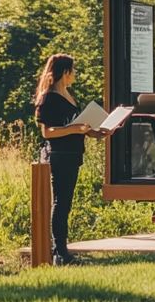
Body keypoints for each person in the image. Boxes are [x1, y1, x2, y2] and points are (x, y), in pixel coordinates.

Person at [34, 53, 104, 265]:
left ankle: (61, 250)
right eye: (72, 70)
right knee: (61, 202)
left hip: (74, 155)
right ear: (64, 72)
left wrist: (95, 132)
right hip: (59, 155)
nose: (74, 74)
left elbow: (78, 126)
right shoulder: (48, 98)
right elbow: (48, 132)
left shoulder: (69, 95)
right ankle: (60, 252)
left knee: (66, 202)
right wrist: (75, 128)